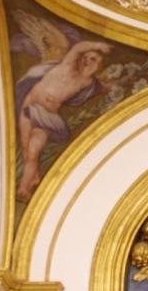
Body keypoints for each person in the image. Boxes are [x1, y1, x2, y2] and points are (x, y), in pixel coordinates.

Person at [16, 38, 112, 199]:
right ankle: (31, 180)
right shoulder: (68, 66)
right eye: (86, 57)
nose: (87, 61)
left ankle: (24, 188)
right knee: (26, 148)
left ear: (98, 66)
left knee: (33, 150)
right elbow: (78, 47)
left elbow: (107, 87)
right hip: (29, 105)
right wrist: (98, 45)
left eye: (94, 60)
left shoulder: (87, 83)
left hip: (46, 118)